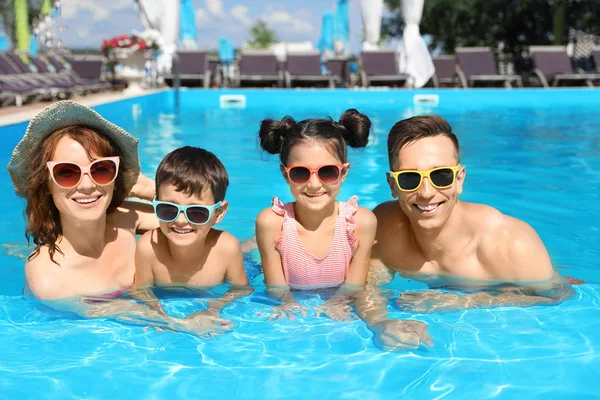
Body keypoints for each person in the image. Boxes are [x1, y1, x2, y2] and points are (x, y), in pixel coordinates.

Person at [7, 100, 228, 337]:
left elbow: (197, 216)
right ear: (46, 183)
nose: (87, 184)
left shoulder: (126, 219)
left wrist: (139, 186)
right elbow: (114, 311)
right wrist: (178, 323)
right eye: (67, 173)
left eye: (101, 169)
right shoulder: (47, 276)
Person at [255, 109, 432, 350]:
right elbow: (276, 287)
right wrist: (287, 303)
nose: (314, 185)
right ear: (285, 174)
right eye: (300, 173)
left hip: (337, 301)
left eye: (327, 172)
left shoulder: (361, 222)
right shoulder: (271, 222)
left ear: (344, 172)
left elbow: (355, 284)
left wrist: (338, 301)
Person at [370, 115, 573, 313]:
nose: (426, 192)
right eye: (409, 178)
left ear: (459, 179)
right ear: (393, 185)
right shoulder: (385, 228)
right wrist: (381, 323)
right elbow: (366, 288)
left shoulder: (511, 243)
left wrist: (464, 302)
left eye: (441, 176)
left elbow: (558, 295)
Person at [134, 146, 251, 318]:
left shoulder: (226, 248)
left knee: (248, 256)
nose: (180, 221)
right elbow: (141, 291)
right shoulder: (149, 247)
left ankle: (251, 243)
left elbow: (241, 289)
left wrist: (213, 309)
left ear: (218, 213)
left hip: (243, 264)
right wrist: (158, 315)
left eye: (197, 212)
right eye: (168, 209)